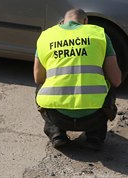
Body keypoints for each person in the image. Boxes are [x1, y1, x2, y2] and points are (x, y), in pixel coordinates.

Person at [34, 8, 122, 150]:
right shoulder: (99, 34)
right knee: (110, 83)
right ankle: (95, 137)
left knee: (41, 86)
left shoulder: (46, 36)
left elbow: (38, 77)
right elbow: (116, 80)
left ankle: (56, 133)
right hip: (94, 117)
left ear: (62, 22)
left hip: (58, 116)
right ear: (85, 22)